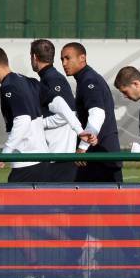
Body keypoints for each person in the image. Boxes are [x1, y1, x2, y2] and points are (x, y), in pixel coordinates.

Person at [0, 45, 49, 182]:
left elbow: (23, 119)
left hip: (27, 163)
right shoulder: (26, 81)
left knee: (11, 202)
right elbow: (56, 101)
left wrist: (5, 153)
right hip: (42, 160)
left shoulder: (9, 86)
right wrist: (77, 127)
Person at [30, 39, 97, 182]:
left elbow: (68, 113)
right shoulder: (48, 77)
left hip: (60, 156)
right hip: (55, 155)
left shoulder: (53, 79)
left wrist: (39, 123)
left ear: (34, 57)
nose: (64, 63)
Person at [60, 42, 123, 182]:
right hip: (98, 156)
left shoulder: (89, 80)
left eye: (67, 58)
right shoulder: (86, 78)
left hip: (101, 159)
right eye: (62, 59)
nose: (64, 63)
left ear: (82, 58)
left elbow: (98, 113)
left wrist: (82, 148)